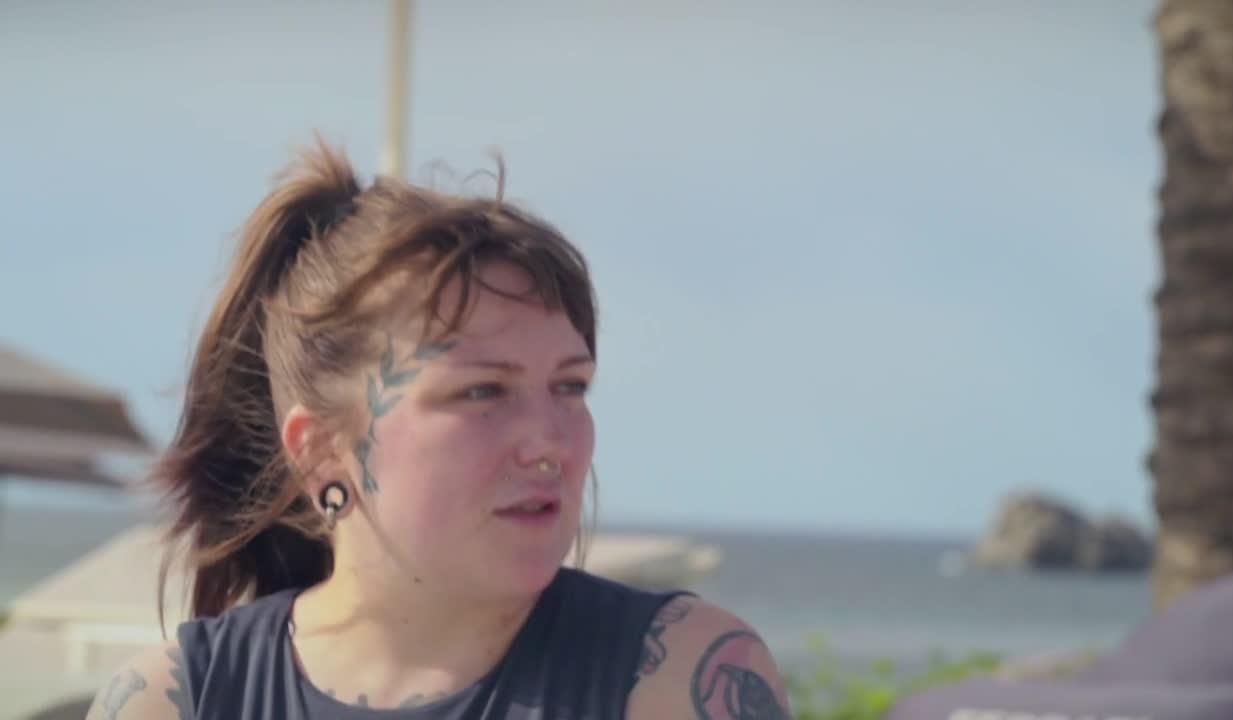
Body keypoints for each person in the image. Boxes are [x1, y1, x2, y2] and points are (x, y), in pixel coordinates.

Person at [85, 139, 790, 719]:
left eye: (570, 386)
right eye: (483, 391)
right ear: (323, 451)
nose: (549, 441)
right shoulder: (174, 700)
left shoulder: (677, 676)